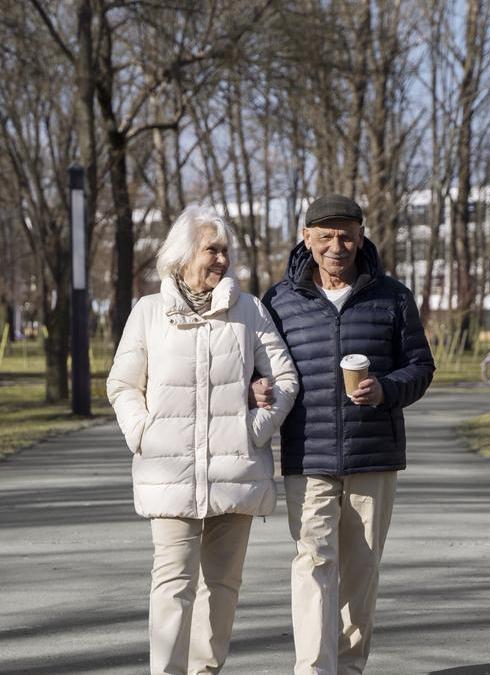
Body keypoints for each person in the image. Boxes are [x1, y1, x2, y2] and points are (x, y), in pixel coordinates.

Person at [108, 205, 299, 675]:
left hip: (235, 471)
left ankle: (205, 671)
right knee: (172, 582)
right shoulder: (149, 312)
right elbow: (123, 385)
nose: (220, 260)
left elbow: (285, 380)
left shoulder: (249, 311)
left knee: (223, 585)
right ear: (182, 254)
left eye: (225, 252)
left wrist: (253, 428)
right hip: (168, 472)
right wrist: (143, 433)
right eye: (211, 249)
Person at [260, 194, 435, 675]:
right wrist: (258, 386)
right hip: (307, 456)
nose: (337, 246)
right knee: (313, 565)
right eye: (326, 236)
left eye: (347, 235)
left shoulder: (393, 295)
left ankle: (350, 668)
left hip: (373, 457)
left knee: (359, 572)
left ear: (361, 237)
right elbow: (261, 370)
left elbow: (421, 366)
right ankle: (314, 670)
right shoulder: (279, 300)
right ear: (306, 238)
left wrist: (386, 390)